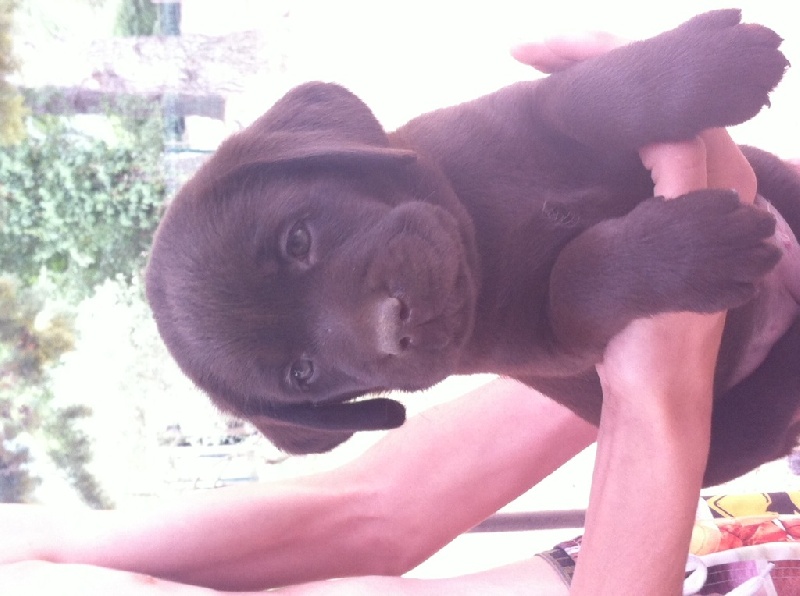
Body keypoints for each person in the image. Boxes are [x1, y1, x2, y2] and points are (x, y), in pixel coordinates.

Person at [0, 34, 761, 595]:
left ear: (323, 152)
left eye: (299, 242)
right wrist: (659, 399)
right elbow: (566, 339)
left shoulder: (29, 556)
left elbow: (367, 515)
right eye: (304, 371)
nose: (378, 325)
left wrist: (646, 100)